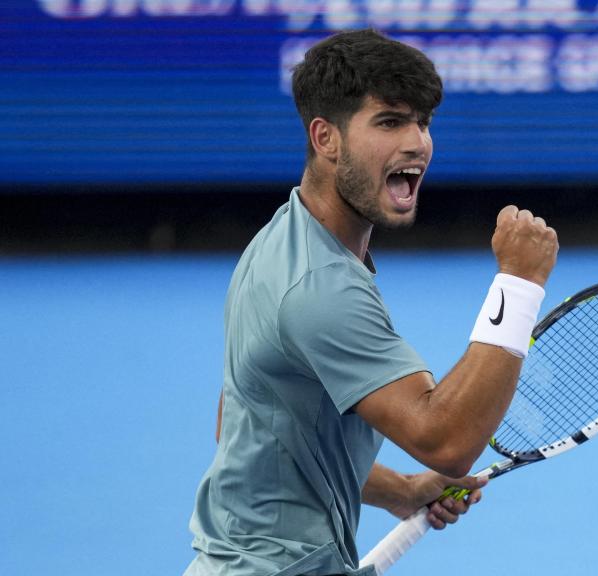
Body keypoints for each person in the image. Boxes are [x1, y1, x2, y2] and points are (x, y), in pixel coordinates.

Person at [184, 29, 559, 576]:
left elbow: (245, 424)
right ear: (326, 138)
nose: (417, 143)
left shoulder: (284, 239)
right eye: (389, 122)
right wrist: (519, 284)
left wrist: (402, 491)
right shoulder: (321, 288)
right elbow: (447, 440)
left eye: (423, 122)